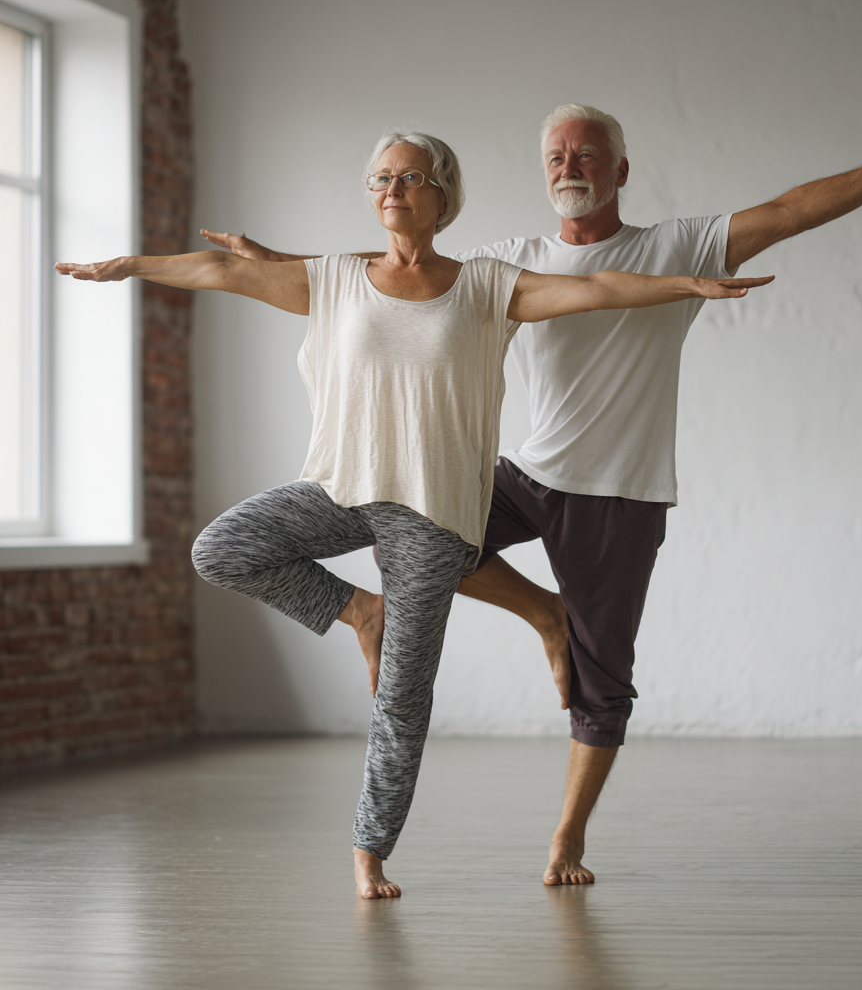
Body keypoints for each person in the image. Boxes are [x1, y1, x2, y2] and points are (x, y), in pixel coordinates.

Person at [206, 106, 862, 888]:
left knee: (601, 678)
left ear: (619, 171)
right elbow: (394, 275)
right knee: (403, 532)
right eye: (555, 154)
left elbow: (787, 211)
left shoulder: (672, 248)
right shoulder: (509, 259)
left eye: (587, 154)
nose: (568, 164)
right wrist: (272, 260)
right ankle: (545, 613)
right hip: (520, 475)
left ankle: (567, 840)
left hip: (620, 493)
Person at [56, 130, 772, 900]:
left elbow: (596, 288)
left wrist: (685, 287)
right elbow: (223, 270)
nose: (392, 188)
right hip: (344, 487)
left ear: (443, 195)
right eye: (380, 177)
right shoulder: (330, 278)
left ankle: (370, 851)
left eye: (410, 176)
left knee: (401, 695)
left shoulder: (490, 285)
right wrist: (129, 266)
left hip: (432, 514)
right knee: (222, 549)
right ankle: (362, 611)